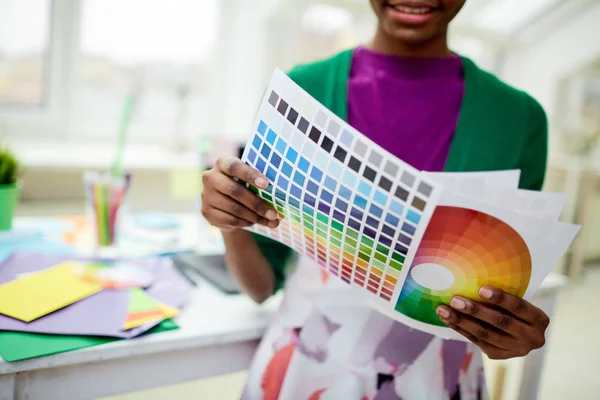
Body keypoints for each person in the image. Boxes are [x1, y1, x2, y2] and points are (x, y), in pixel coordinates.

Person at [201, 0, 551, 398]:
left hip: (438, 379)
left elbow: (503, 291)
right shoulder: (300, 93)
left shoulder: (519, 119)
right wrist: (230, 223)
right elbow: (261, 286)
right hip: (304, 372)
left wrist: (508, 331)